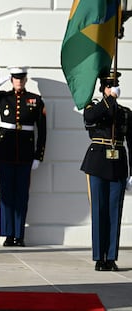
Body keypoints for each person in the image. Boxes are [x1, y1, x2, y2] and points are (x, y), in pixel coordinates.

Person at [0, 66, 47, 247]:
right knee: (6, 195)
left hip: (25, 153)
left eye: (21, 78)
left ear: (25, 80)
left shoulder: (35, 100)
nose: (19, 81)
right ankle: (8, 234)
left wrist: (38, 156)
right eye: (15, 78)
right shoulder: (3, 97)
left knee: (21, 195)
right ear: (11, 80)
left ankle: (19, 234)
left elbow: (42, 130)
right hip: (5, 152)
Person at [80, 71, 132, 272]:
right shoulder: (94, 107)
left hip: (118, 163)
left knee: (114, 212)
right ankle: (98, 257)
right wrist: (108, 100)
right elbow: (90, 117)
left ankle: (111, 256)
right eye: (108, 86)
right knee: (99, 211)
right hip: (97, 162)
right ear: (102, 89)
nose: (112, 89)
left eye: (114, 85)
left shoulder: (125, 113)